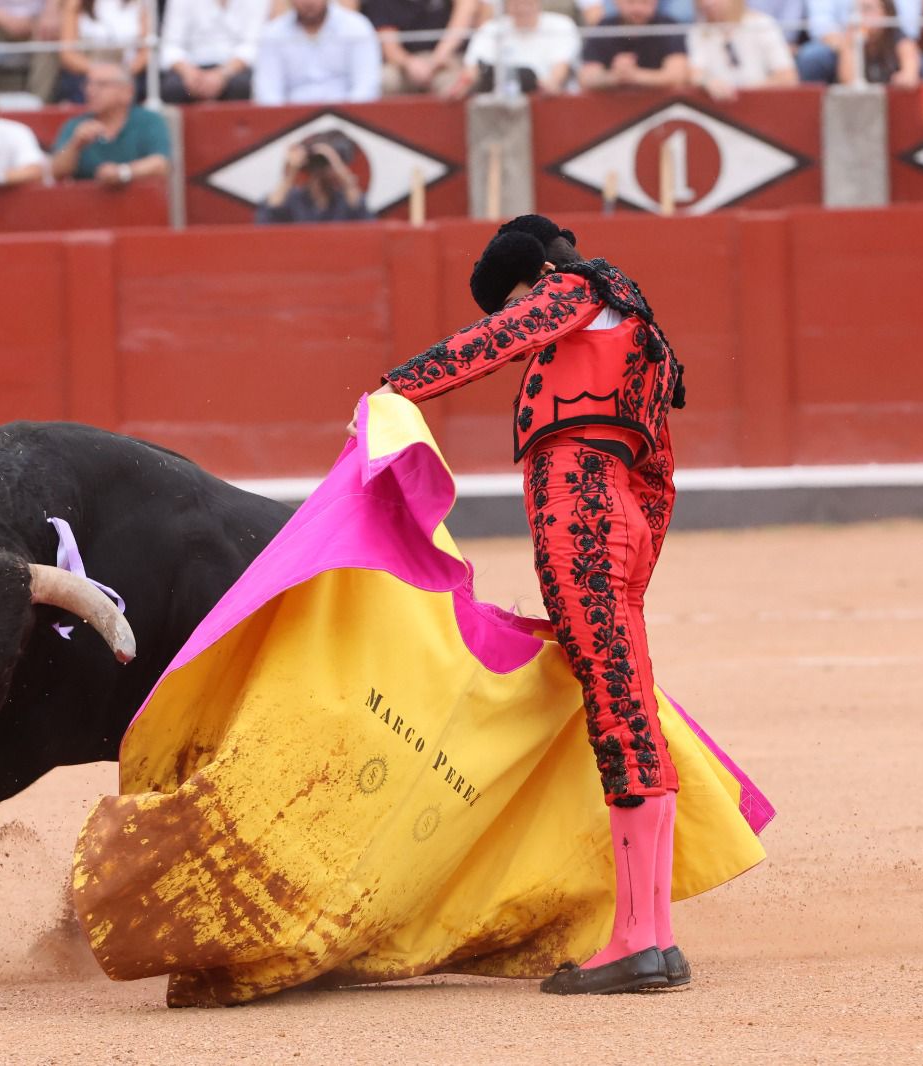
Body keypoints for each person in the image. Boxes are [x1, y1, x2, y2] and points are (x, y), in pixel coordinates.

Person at [353, 215, 688, 994]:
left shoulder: (568, 291)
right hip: (623, 517)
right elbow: (660, 468)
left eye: (509, 297)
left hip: (581, 507)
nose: (512, 315)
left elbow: (486, 346)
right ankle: (656, 937)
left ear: (535, 275)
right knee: (629, 702)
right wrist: (633, 566)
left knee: (617, 711)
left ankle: (639, 940)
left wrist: (390, 391)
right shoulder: (634, 320)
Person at [49, 60, 170, 184]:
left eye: (101, 84)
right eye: (88, 84)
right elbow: (55, 171)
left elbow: (161, 163)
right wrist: (75, 145)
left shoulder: (149, 120)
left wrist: (123, 172)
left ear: (127, 92)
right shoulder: (75, 125)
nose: (91, 91)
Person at [253, 0, 383, 105]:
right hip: (289, 128)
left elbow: (366, 88)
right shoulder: (273, 33)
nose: (309, 2)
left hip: (349, 125)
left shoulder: (357, 27)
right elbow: (267, 94)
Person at [451, 0, 581, 96]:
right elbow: (472, 69)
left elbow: (558, 74)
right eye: (515, 3)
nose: (521, 7)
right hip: (497, 106)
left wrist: (546, 85)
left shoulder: (561, 26)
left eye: (526, 2)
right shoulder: (491, 29)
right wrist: (462, 86)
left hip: (546, 102)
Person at [159, 0, 268, 103]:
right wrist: (189, 73)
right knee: (173, 88)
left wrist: (223, 74)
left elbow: (253, 45)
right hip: (191, 69)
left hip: (234, 69)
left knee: (243, 86)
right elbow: (170, 45)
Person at [687, 0, 798, 100]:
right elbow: (696, 73)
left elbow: (788, 77)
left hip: (762, 105)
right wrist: (708, 82)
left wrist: (746, 92)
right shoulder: (698, 32)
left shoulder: (762, 25)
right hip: (718, 109)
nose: (707, 3)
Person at [363, 0, 477, 95]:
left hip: (447, 58)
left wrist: (437, 59)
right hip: (403, 63)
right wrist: (409, 63)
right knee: (384, 80)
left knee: (456, 84)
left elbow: (465, 13)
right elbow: (389, 45)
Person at [255, 133, 371, 223]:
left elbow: (364, 221)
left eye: (326, 165)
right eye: (316, 166)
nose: (320, 170)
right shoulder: (294, 199)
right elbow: (267, 219)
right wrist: (291, 172)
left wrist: (338, 167)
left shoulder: (343, 200)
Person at [579, 0, 691, 90]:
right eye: (631, 2)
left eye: (644, 2)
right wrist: (614, 77)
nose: (638, 9)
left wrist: (635, 75)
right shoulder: (605, 28)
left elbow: (678, 75)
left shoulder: (667, 27)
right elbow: (586, 77)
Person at [57, 0, 148, 100]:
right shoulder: (76, 4)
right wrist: (100, 72)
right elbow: (68, 54)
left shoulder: (139, 5)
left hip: (125, 75)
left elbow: (145, 54)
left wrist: (121, 73)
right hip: (86, 75)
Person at [832, 0, 920, 84]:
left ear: (886, 12)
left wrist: (903, 78)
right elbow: (849, 83)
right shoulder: (851, 39)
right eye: (855, 10)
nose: (860, 16)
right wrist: (849, 45)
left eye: (867, 9)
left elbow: (910, 75)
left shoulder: (898, 37)